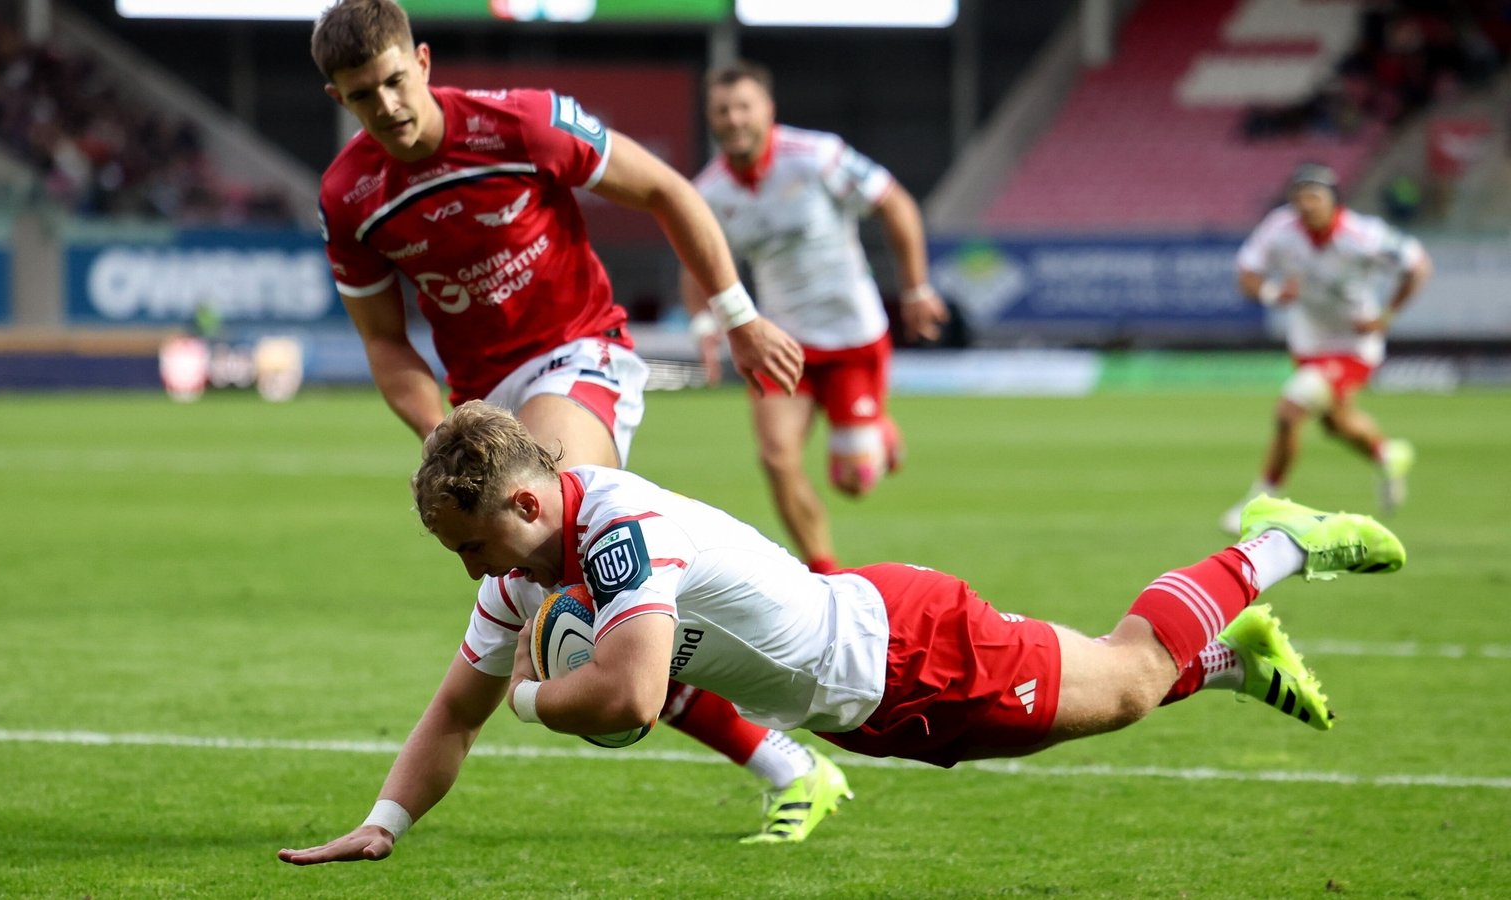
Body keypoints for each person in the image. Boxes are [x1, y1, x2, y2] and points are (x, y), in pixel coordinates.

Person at [277, 401, 1407, 865]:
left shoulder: (616, 530)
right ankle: (1236, 657)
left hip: (908, 653)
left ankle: (1277, 541)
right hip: (868, 699)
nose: (470, 573)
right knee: (1106, 700)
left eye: (470, 545)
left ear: (524, 506)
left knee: (1123, 676)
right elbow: (451, 711)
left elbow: (622, 701)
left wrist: (533, 695)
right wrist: (381, 825)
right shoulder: (527, 581)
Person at [308, 0, 844, 843]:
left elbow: (665, 189)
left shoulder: (520, 121)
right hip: (479, 404)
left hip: (578, 356)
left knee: (561, 582)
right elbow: (386, 344)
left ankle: (788, 752)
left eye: (394, 81)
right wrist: (440, 433)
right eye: (361, 95)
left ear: (424, 60)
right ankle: (787, 763)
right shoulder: (350, 197)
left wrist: (738, 315)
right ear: (340, 100)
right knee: (578, 609)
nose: (388, 107)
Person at [682, 60, 950, 574]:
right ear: (711, 118)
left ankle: (879, 434)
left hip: (853, 338)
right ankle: (826, 575)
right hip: (781, 344)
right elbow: (696, 264)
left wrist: (915, 288)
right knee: (776, 458)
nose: (734, 119)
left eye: (744, 107)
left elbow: (896, 205)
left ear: (768, 111)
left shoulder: (818, 157)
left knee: (853, 484)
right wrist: (704, 326)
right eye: (722, 110)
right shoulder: (708, 192)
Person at [1220, 162, 1432, 535]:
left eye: (1314, 196)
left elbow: (1418, 265)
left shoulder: (1363, 235)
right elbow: (1247, 273)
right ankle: (1388, 454)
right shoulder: (1279, 229)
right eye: (1299, 196)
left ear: (1334, 201)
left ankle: (1262, 503)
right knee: (1336, 424)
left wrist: (1386, 315)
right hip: (1309, 340)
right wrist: (1271, 292)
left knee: (1290, 410)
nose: (1306, 204)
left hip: (1353, 343)